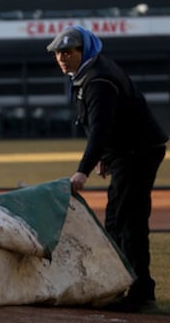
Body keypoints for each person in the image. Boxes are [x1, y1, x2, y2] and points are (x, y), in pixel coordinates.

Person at [46, 25, 167, 312]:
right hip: (127, 151)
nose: (62, 58)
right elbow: (109, 125)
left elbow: (100, 129)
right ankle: (121, 285)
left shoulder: (98, 79)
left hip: (137, 153)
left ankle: (140, 294)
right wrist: (106, 156)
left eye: (68, 52)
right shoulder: (90, 72)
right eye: (58, 53)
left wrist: (82, 170)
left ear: (82, 51)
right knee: (116, 220)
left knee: (129, 221)